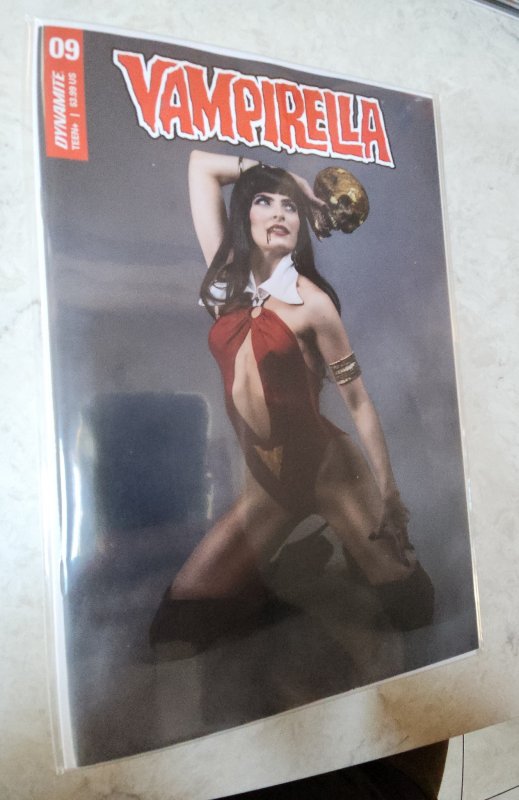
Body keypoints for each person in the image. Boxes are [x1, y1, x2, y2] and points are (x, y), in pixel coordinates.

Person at [149, 150, 433, 654]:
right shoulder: (225, 282)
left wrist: (389, 494)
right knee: (178, 624)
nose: (279, 213)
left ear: (302, 227)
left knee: (410, 609)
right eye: (265, 201)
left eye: (290, 208)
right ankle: (292, 563)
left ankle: (352, 547)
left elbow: (358, 402)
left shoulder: (313, 304)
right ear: (246, 215)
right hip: (268, 484)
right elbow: (200, 167)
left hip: (329, 470)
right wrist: (293, 182)